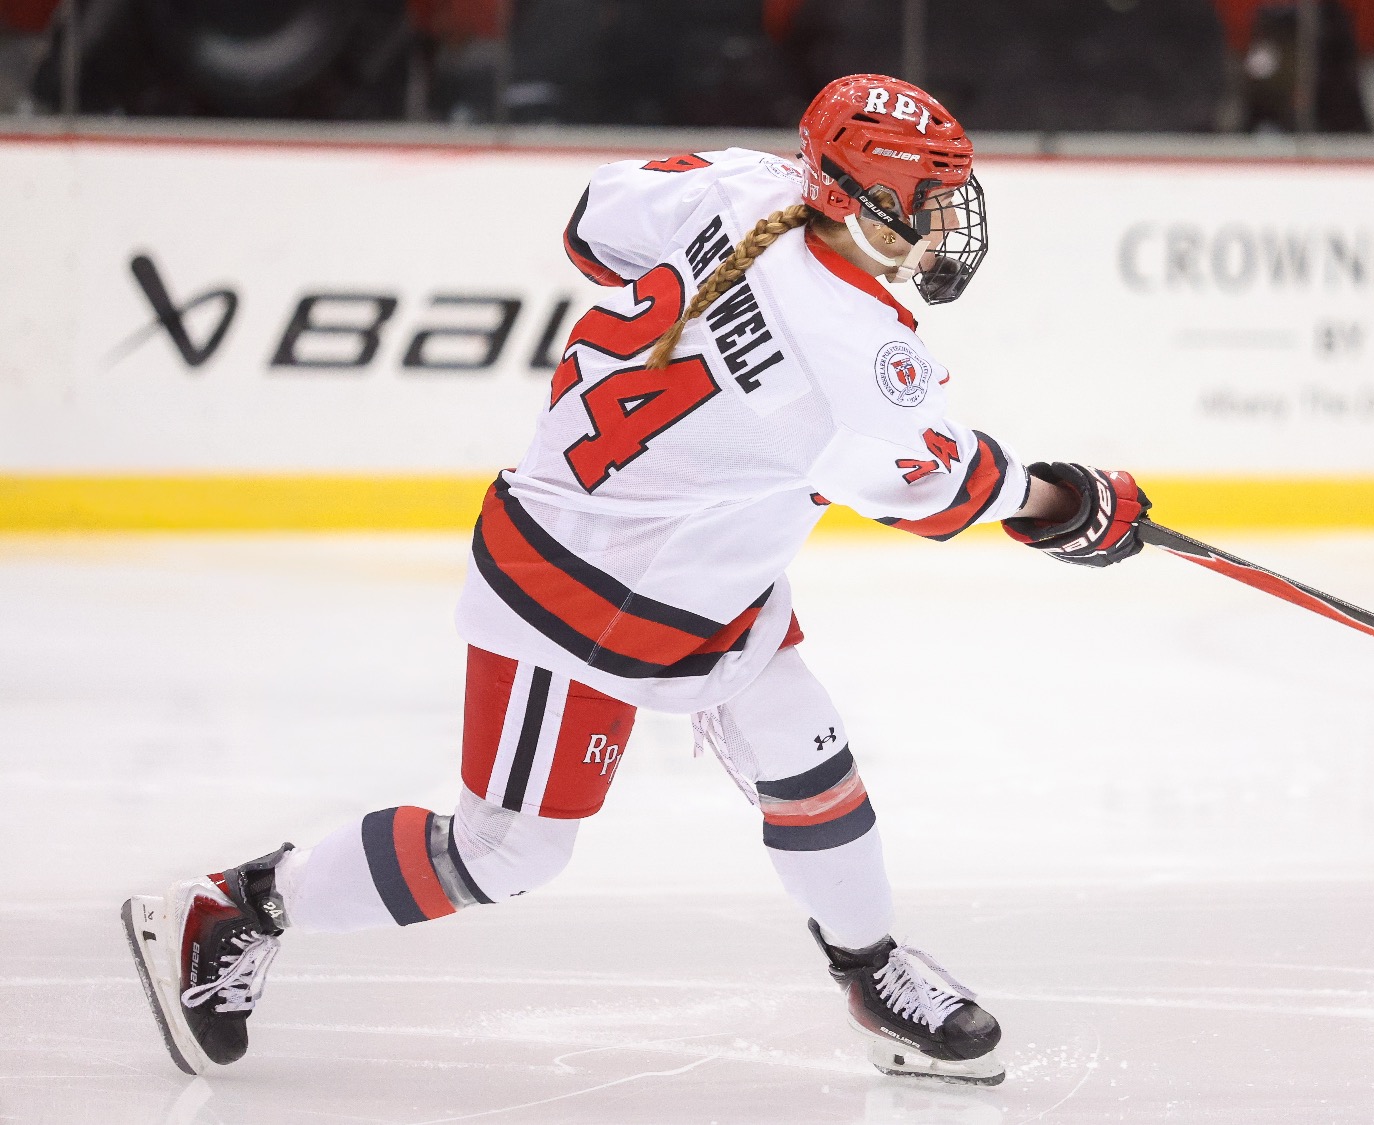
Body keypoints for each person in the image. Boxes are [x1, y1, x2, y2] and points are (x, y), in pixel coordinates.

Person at [119, 73, 1151, 1088]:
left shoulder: (746, 186)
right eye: (929, 198)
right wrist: (1075, 506)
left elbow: (593, 224)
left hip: (703, 573)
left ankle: (871, 969)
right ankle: (237, 906)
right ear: (868, 199)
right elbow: (949, 491)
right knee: (506, 854)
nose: (945, 220)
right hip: (577, 592)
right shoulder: (854, 351)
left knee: (807, 761)